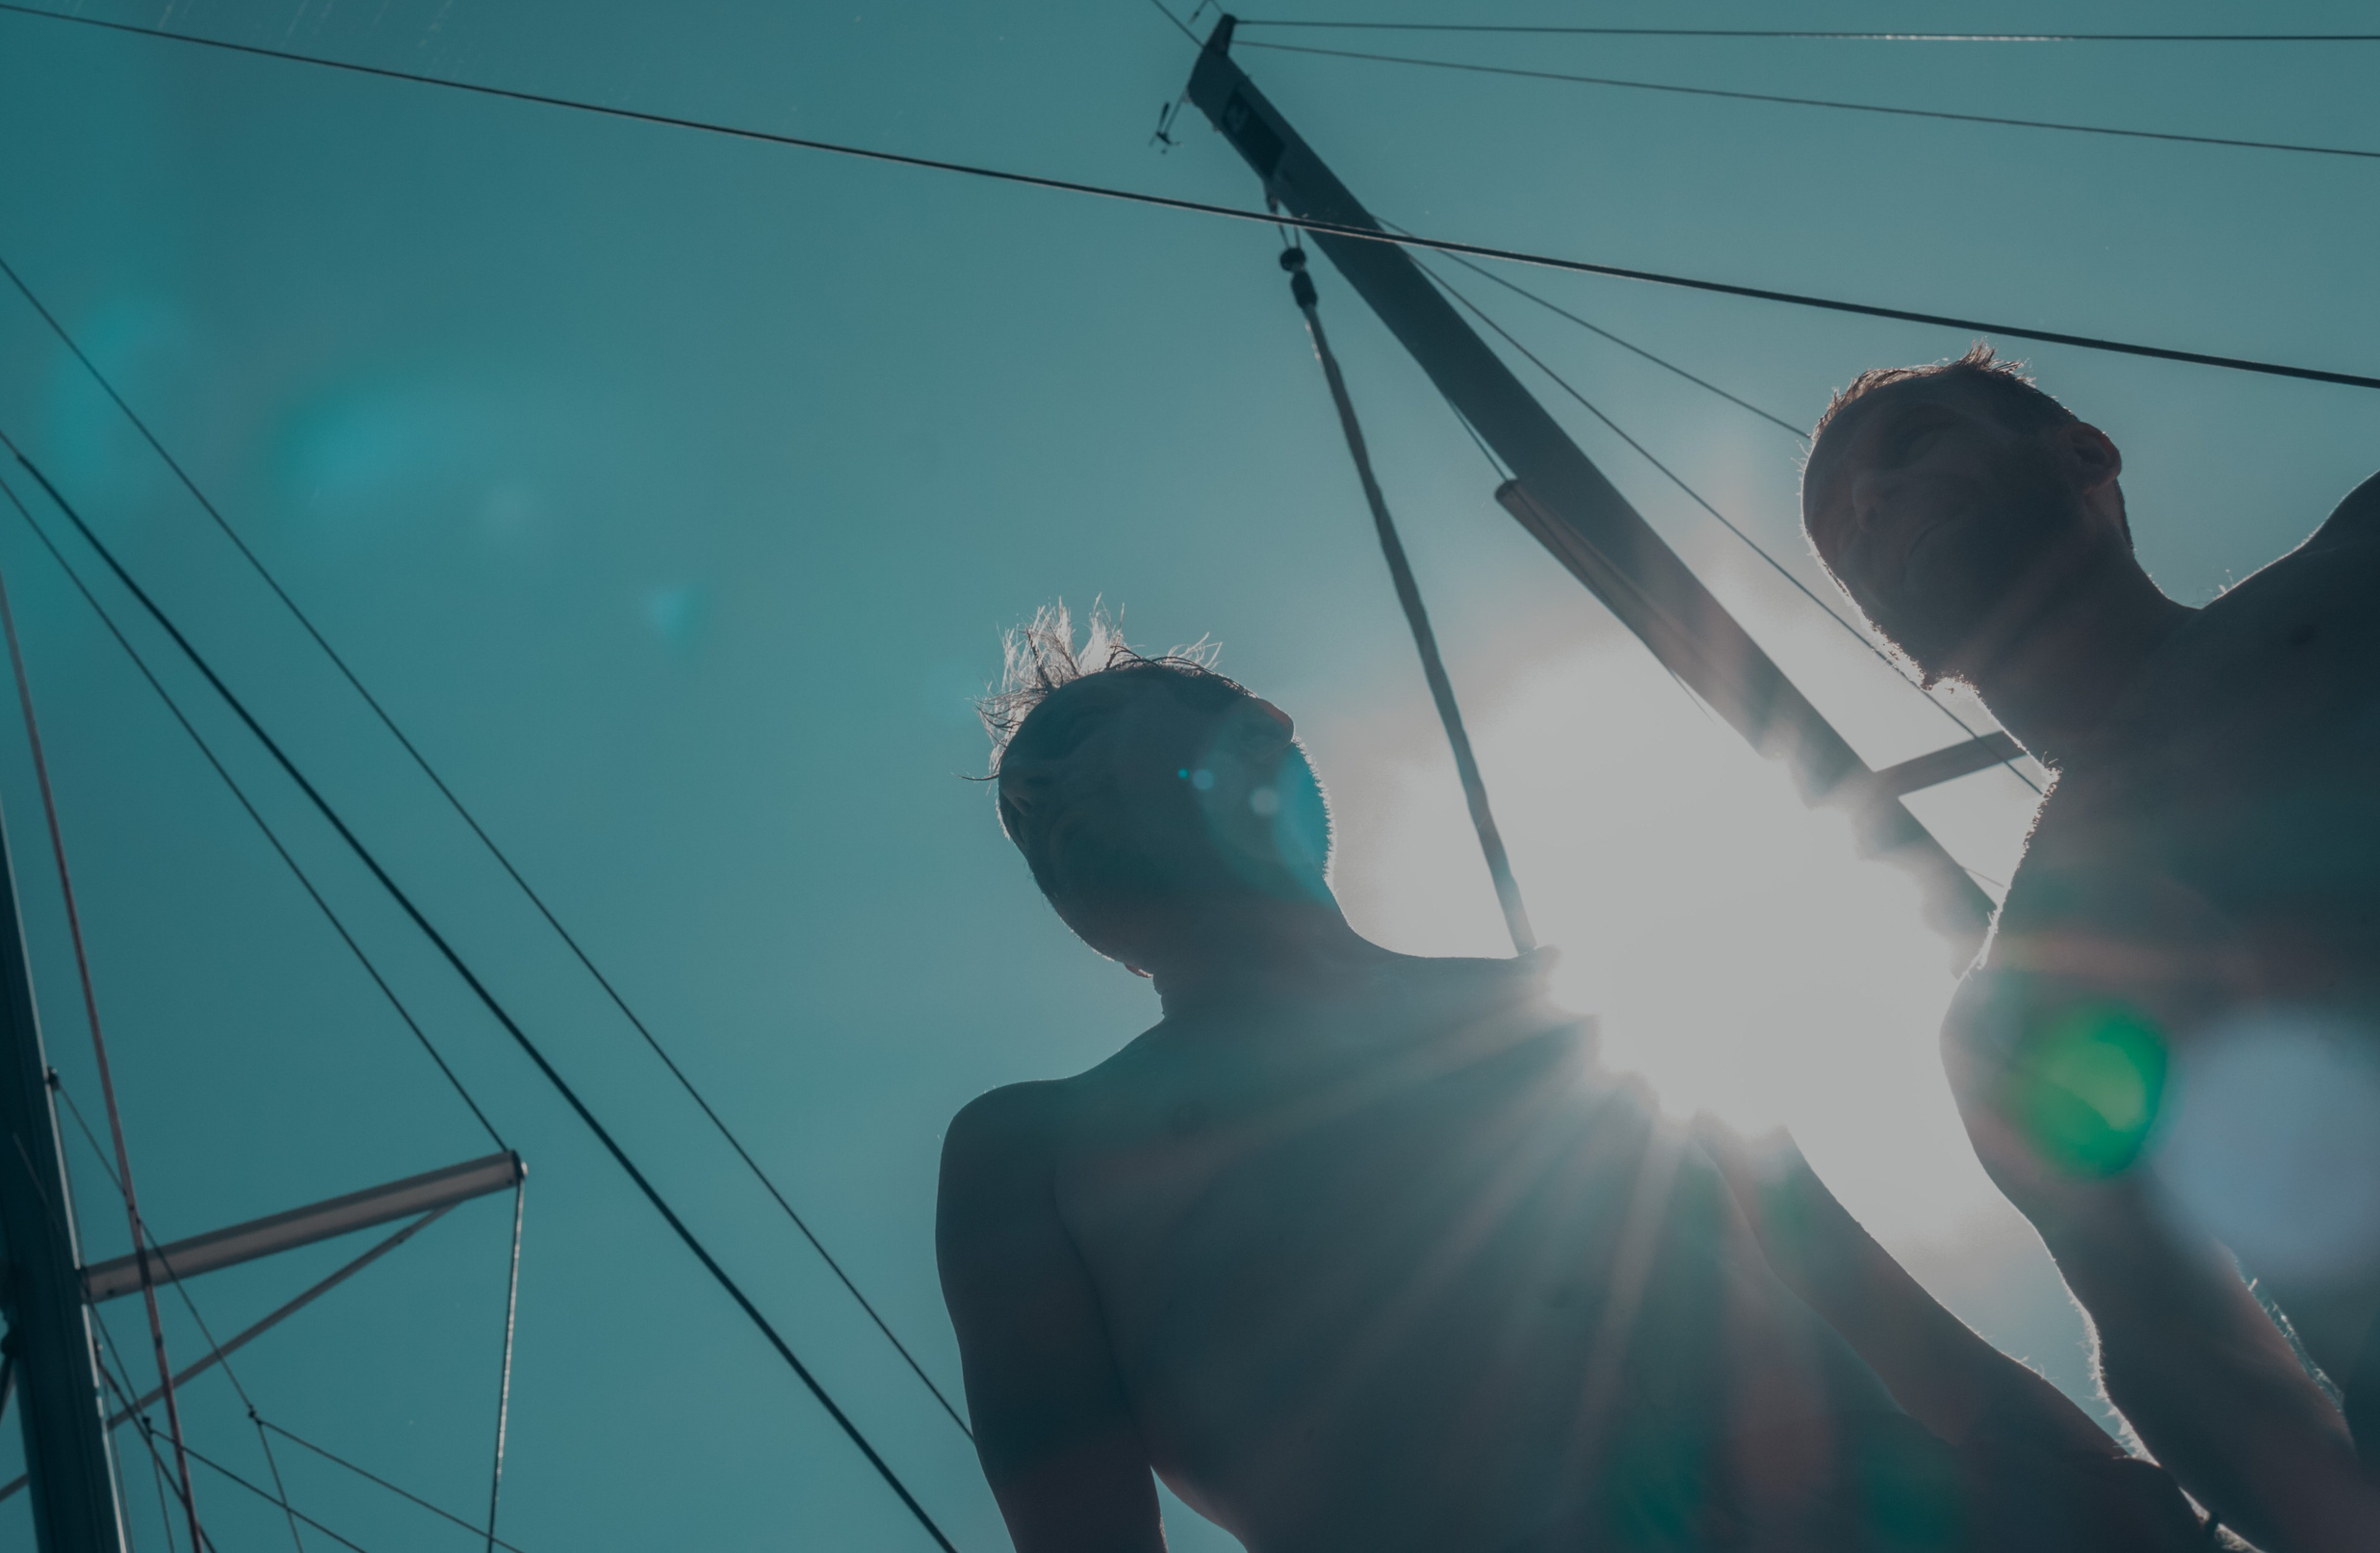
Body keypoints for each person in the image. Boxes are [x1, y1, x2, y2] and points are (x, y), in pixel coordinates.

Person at [936, 604, 2204, 1552]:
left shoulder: (1582, 1015)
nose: (1048, 803)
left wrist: (2132, 1500)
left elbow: (1897, 1326)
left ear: (1261, 745)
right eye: (1024, 815)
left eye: (1081, 743)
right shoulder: (1034, 1150)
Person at [1801, 344, 2380, 1551]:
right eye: (1845, 532)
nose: (1868, 504)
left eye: (1909, 447)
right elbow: (2196, 1375)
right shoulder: (2009, 1021)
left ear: (2083, 454)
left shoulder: (2363, 558)